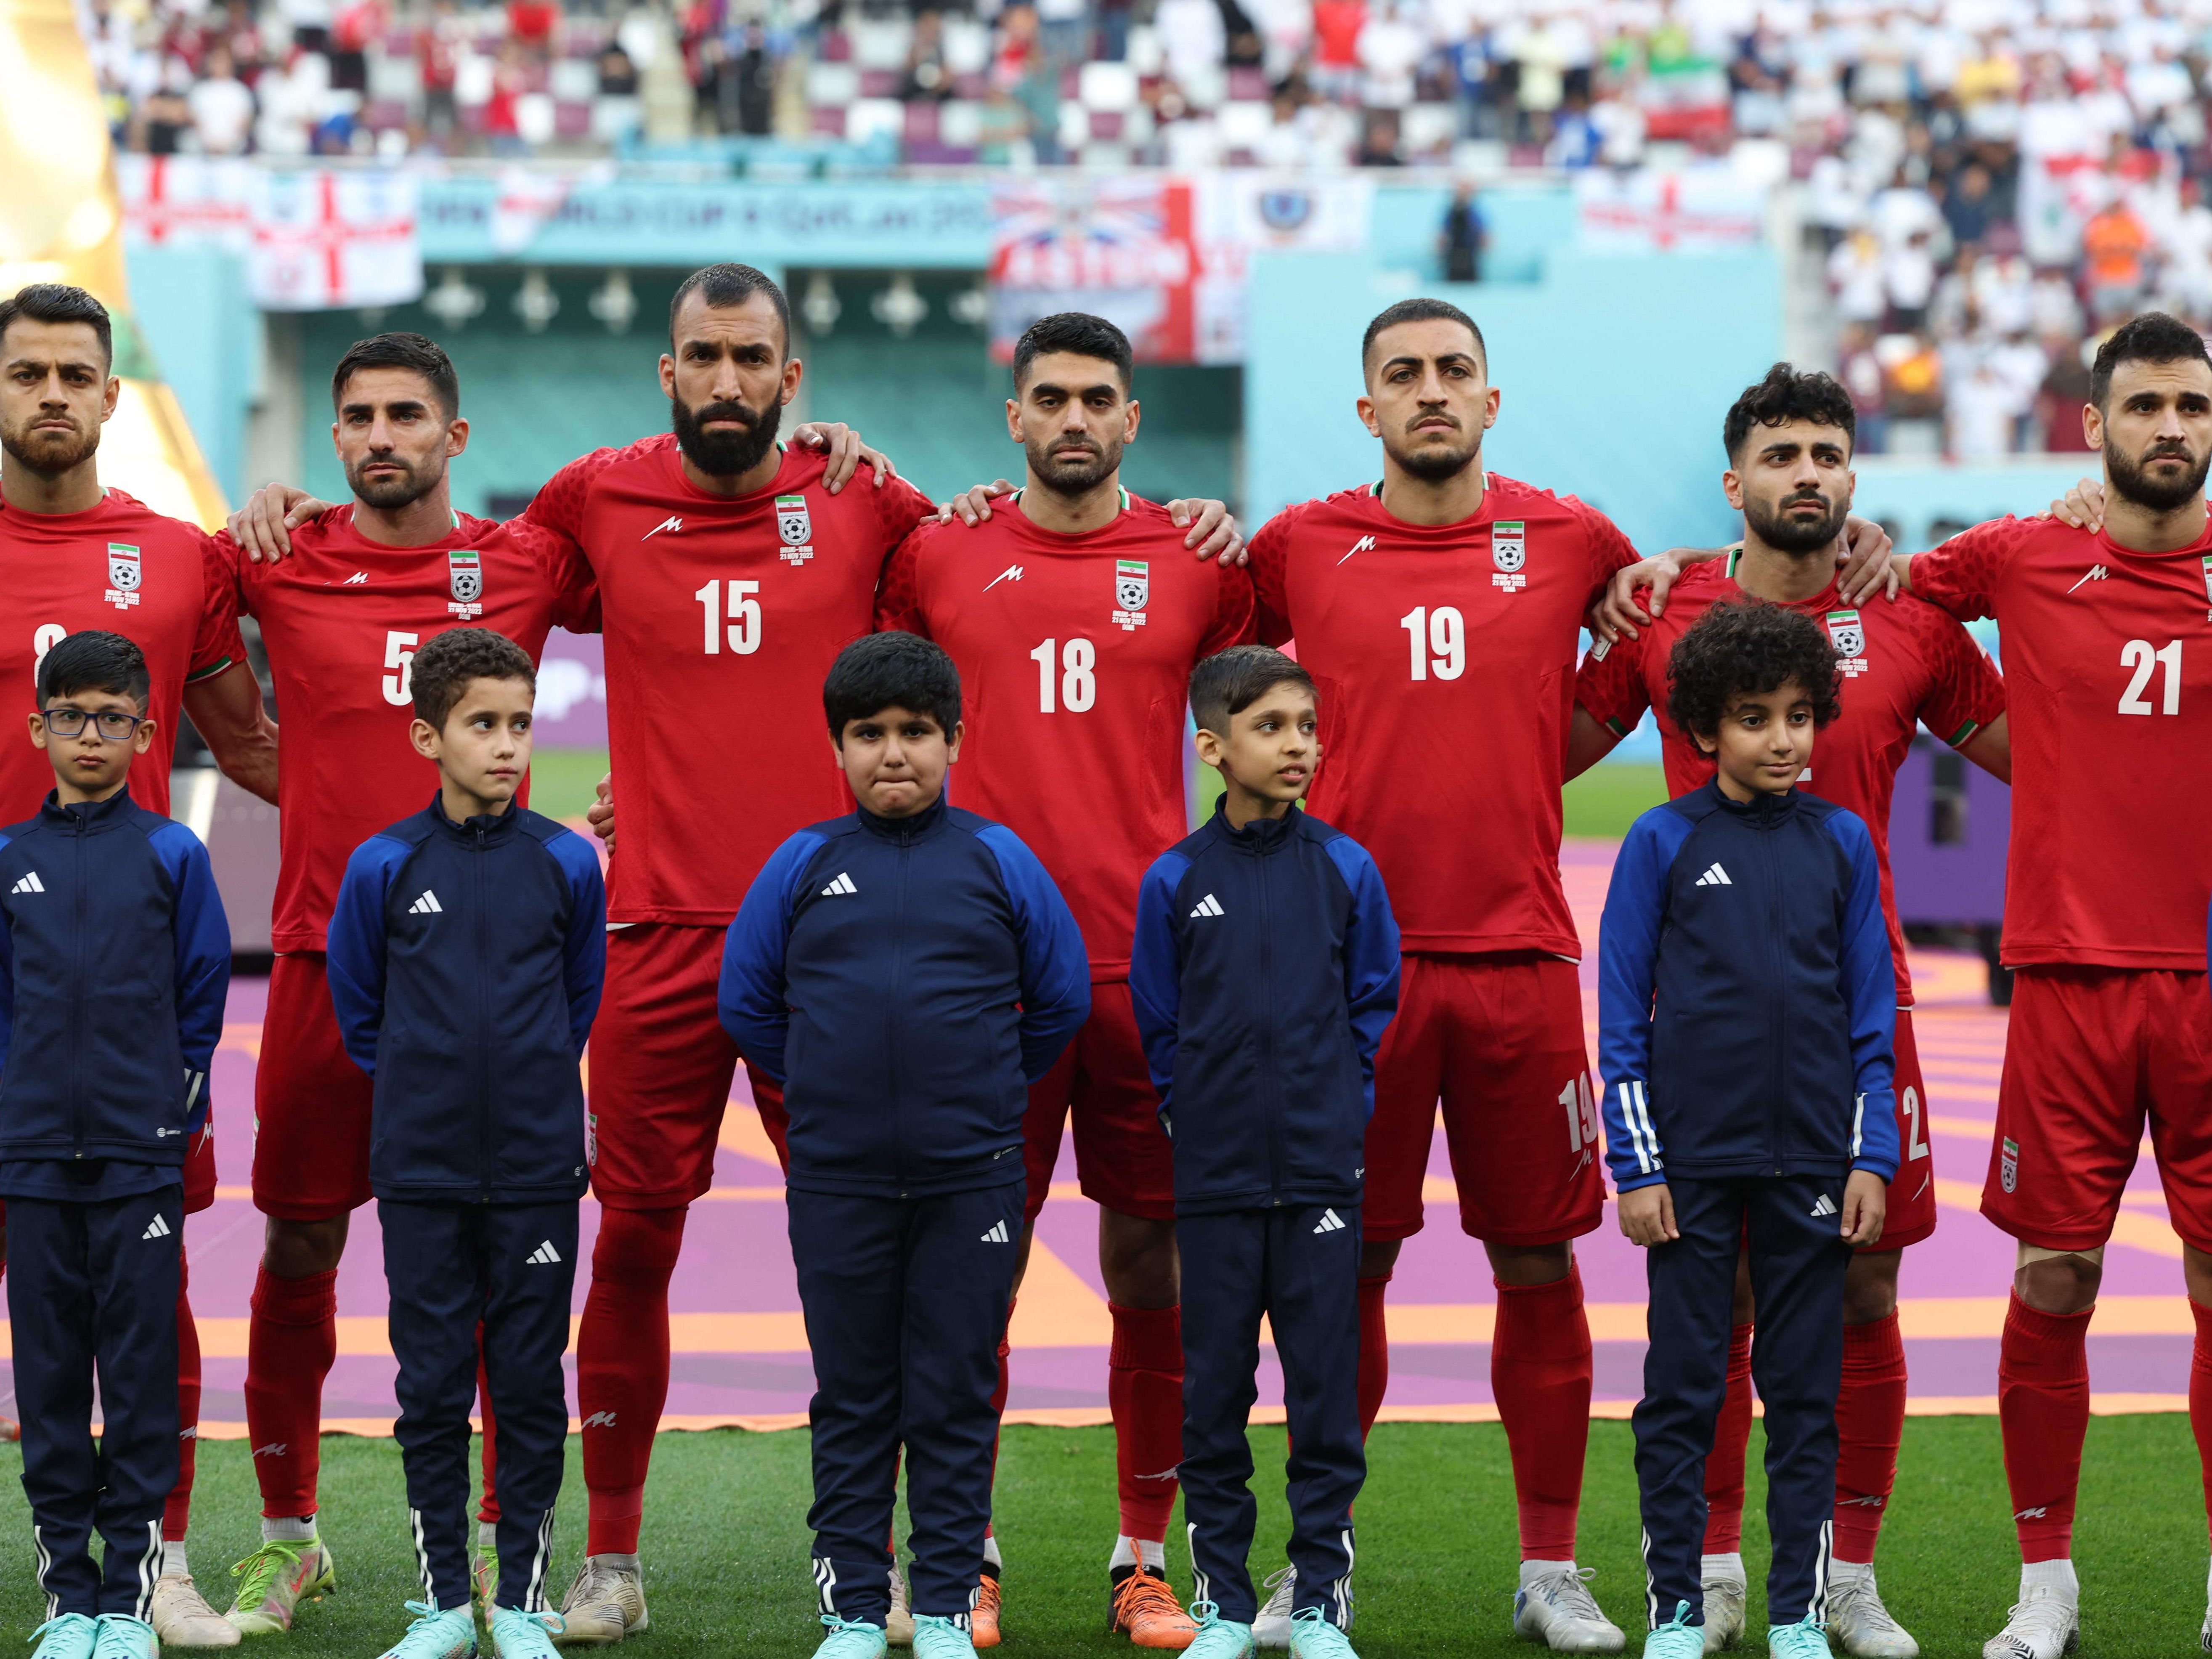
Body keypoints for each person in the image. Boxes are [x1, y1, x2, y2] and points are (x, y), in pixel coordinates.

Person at [221, 267, 1243, 1643]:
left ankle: (915, 1558)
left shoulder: (871, 505)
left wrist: (1183, 514)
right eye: (699, 355)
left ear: (790, 378)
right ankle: (611, 1563)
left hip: (843, 940)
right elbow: (448, 584)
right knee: (631, 1240)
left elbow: (991, 566)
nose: (723, 378)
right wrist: (292, 515)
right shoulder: (593, 501)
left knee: (882, 1258)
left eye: (748, 356)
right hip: (652, 933)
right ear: (666, 371)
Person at [1567, 364, 2010, 1659]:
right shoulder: (1663, 613)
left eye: (1827, 454)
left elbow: (2038, 750)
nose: (1805, 475)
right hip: (1704, 1025)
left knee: (1858, 1289)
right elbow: (1543, 743)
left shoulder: (1910, 611)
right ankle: (1707, 1571)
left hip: (1859, 1019)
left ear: (1852, 480)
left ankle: (1843, 1578)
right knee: (1716, 1300)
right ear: (1735, 483)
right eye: (1781, 456)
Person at [1241, 296, 1637, 1651]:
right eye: (1401, 375)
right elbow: (1173, 647)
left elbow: (1654, 647)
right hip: (1345, 974)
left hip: (1522, 961)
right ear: (1365, 411)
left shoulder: (1571, 537)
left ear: (1490, 397)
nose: (1429, 392)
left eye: (1452, 372)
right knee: (1341, 1268)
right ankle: (1321, 1566)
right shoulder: (1298, 546)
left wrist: (1540, 758)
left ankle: (1548, 1571)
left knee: (1539, 1259)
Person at [1827, 312, 2212, 1659]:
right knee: (2054, 1283)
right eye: (2146, 406)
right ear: (2094, 428)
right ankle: (2045, 1584)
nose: (2173, 427)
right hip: (2067, 984)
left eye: (2193, 407)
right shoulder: (2017, 555)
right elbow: (1894, 596)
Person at [874, 311, 1254, 1649]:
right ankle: (960, 1556)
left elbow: (1271, 713)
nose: (1076, 418)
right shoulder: (939, 550)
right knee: (967, 1274)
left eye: (1100, 397)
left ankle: (1140, 1557)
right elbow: (872, 719)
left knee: (1155, 1263)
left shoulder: (1201, 561)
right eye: (1052, 397)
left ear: (1133, 421)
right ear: (1015, 416)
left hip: (1153, 972)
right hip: (977, 973)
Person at [217, 333, 598, 1640]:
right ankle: (288, 1540)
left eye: (406, 415)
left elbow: (686, 630)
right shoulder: (277, 553)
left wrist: (829, 452)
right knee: (298, 1245)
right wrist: (305, 786)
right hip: (329, 963)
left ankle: (511, 1575)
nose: (381, 435)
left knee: (499, 1282)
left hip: (496, 980)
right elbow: (197, 660)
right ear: (332, 439)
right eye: (359, 417)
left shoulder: (531, 560)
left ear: (457, 435)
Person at [717, 632, 1090, 1659]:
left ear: (955, 741)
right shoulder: (803, 863)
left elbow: (1059, 1000)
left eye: (916, 733)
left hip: (972, 1174)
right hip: (837, 1175)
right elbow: (747, 1003)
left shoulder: (997, 858)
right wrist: (829, 1082)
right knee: (852, 1390)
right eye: (869, 734)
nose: (894, 754)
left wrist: (982, 1082)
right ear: (836, 746)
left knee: (956, 1386)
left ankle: (938, 1608)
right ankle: (851, 1609)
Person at [0, 281, 277, 1649]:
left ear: (114, 398)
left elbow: (264, 746)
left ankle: (153, 1562)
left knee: (142, 1289)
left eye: (75, 375)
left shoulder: (179, 558)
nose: (52, 395)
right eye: (27, 372)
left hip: (124, 1006)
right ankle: (69, 1565)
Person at [1601, 600, 1896, 1659]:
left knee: (1805, 1398)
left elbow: (1871, 1014)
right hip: (1688, 1169)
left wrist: (1871, 1154)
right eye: (1752, 718)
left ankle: (1795, 1615)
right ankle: (1676, 1609)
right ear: (1703, 731)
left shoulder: (1842, 842)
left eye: (1797, 716)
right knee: (1680, 1393)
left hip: (1813, 1164)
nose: (1781, 739)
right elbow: (1620, 1017)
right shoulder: (1661, 841)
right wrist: (1638, 1165)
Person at [326, 628, 606, 1659]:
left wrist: (529, 1084)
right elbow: (363, 1010)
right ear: (426, 735)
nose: (505, 745)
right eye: (482, 725)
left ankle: (523, 1601)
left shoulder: (568, 861)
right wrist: (427, 1087)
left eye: (520, 725)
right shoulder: (385, 864)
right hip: (422, 1168)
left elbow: (576, 1000)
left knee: (531, 1382)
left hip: (537, 1167)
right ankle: (448, 1598)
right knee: (431, 1383)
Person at [1127, 645, 1400, 1659]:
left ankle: (1321, 1598)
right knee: (1216, 1395)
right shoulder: (1176, 878)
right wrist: (1192, 1112)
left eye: (1306, 727)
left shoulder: (1344, 867)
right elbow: (1159, 1022)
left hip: (1324, 1173)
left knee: (1324, 1393)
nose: (1298, 747)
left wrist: (1339, 1096)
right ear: (1213, 746)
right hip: (1217, 1177)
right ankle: (1228, 1606)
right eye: (1271, 728)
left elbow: (1373, 999)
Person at [0, 630, 230, 1659]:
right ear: (39, 726)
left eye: (113, 718)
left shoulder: (174, 853)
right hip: (35, 1159)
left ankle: (130, 1603)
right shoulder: (10, 859)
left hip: (139, 1161)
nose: (91, 734)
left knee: (135, 1382)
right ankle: (69, 1599)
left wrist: (165, 1117)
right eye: (72, 715)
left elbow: (202, 1002)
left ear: (145, 733)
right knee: (49, 1383)